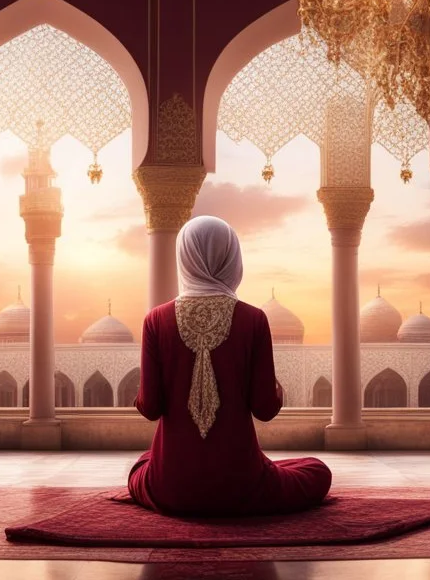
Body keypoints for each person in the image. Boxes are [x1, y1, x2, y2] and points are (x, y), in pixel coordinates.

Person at [126, 216, 332, 517]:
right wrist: (275, 388)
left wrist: (143, 392)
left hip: (170, 487)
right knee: (316, 471)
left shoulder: (156, 320)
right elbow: (265, 408)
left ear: (184, 257)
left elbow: (150, 407)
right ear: (232, 257)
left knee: (143, 464)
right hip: (243, 486)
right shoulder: (253, 319)